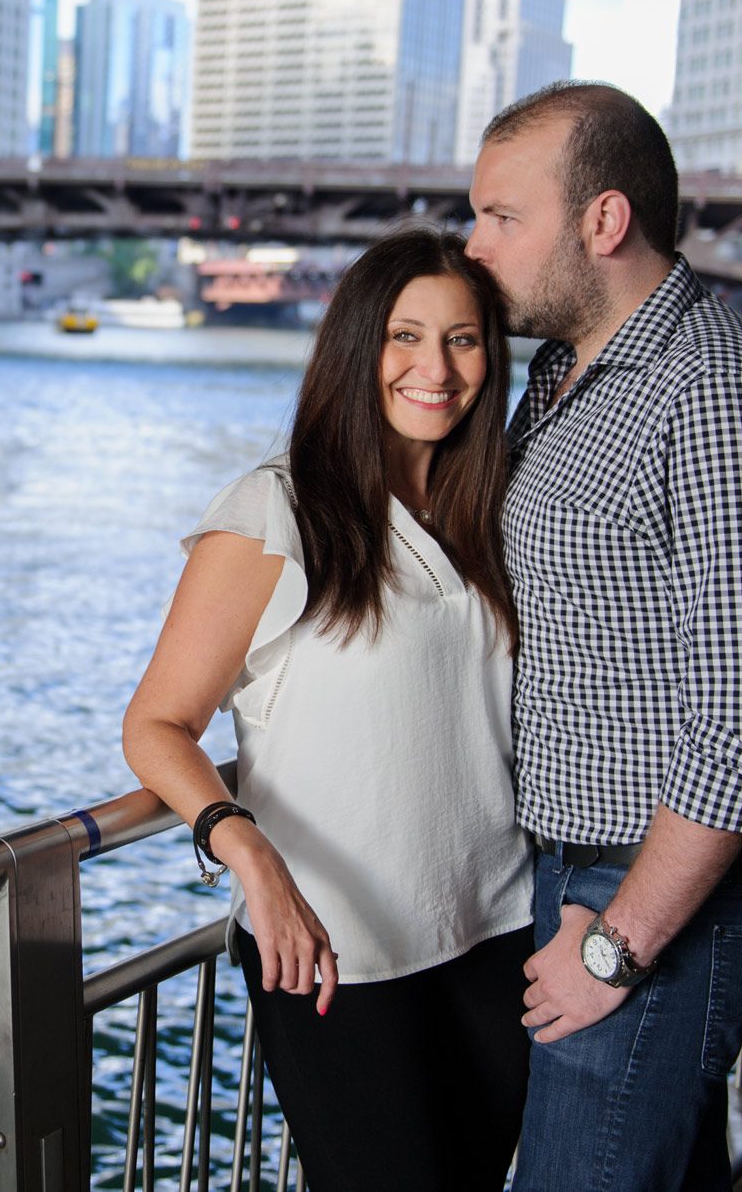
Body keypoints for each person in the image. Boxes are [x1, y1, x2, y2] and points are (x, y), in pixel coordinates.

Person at [463, 81, 742, 1191]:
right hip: (584, 862)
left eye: (499, 216)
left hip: (667, 890)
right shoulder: (563, 370)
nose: (472, 244)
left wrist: (612, 944)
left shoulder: (713, 393)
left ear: (602, 220)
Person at [121, 227, 532, 1190]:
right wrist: (247, 851)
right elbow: (156, 724)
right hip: (336, 950)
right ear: (356, 346)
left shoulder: (491, 513)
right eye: (405, 336)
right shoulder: (277, 512)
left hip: (501, 931)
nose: (436, 367)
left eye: (464, 339)